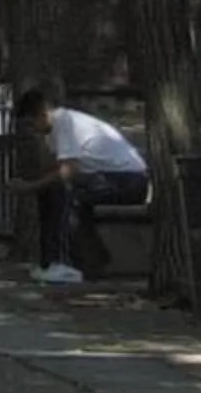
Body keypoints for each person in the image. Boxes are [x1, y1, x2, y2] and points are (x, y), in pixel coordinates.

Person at [11, 88, 149, 284]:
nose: (33, 130)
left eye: (32, 123)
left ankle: (67, 263)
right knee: (52, 191)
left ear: (43, 113)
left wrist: (30, 187)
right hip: (112, 178)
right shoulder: (54, 132)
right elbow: (55, 169)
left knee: (66, 194)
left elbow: (69, 170)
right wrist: (33, 184)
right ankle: (54, 261)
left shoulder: (64, 123)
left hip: (128, 181)